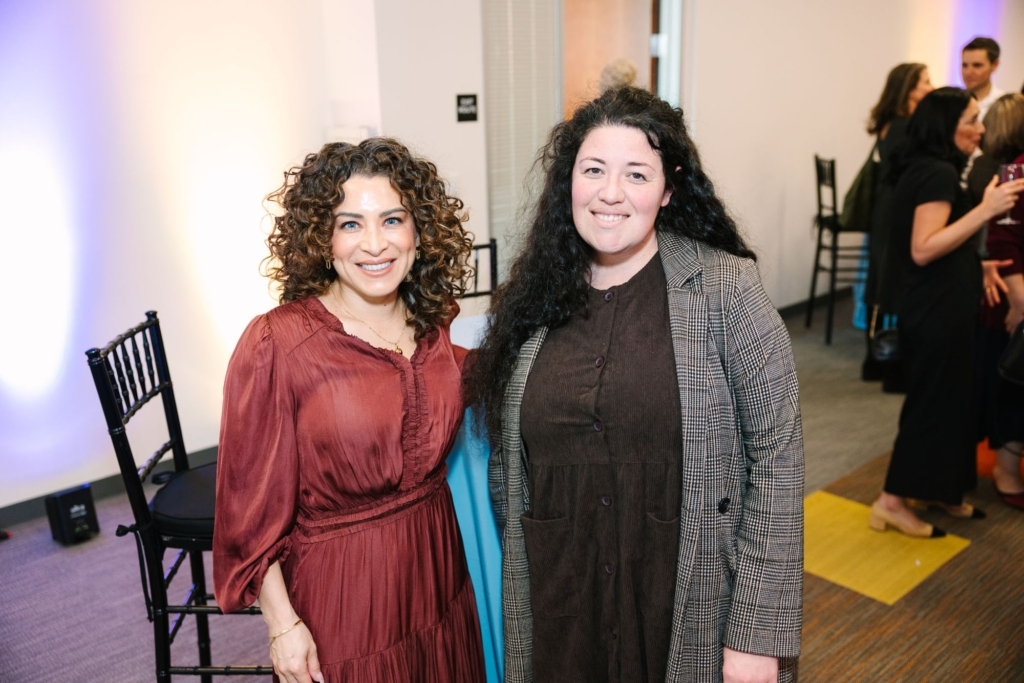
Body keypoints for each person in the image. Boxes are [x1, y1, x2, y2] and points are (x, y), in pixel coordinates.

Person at [465, 87, 804, 683]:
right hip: (561, 611)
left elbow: (777, 460)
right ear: (568, 180)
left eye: (637, 174)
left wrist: (756, 634)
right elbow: (510, 469)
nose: (611, 193)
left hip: (686, 609)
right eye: (593, 169)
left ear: (669, 191)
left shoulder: (725, 288)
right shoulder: (532, 302)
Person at [213, 138, 486, 683]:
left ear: (418, 230)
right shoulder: (278, 345)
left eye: (392, 219)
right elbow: (247, 510)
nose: (376, 244)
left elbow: (468, 379)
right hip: (345, 595)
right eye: (350, 224)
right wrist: (282, 625)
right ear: (323, 238)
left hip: (438, 572)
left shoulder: (433, 323)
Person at [869, 88, 1024, 538]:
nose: (981, 129)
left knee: (953, 403)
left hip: (946, 302)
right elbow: (923, 248)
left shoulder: (935, 169)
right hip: (934, 308)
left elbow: (940, 242)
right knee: (930, 405)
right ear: (945, 127)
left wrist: (979, 264)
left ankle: (940, 489)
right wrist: (987, 210)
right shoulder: (936, 172)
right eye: (971, 121)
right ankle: (891, 502)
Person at [863, 62, 933, 384]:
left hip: (885, 207)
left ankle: (877, 358)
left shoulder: (889, 122)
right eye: (925, 82)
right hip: (897, 209)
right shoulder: (906, 125)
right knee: (895, 279)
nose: (931, 87)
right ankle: (893, 363)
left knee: (881, 278)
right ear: (910, 88)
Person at [975, 93, 1024, 511]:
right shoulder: (1012, 172)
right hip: (1010, 303)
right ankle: (1006, 474)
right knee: (1012, 388)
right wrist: (1020, 306)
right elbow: (1003, 242)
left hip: (1009, 298)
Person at [962, 37, 1005, 120]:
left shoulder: (1004, 105)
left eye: (977, 65)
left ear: (994, 65)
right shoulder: (953, 103)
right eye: (964, 65)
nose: (968, 72)